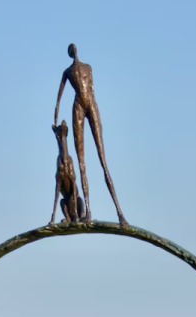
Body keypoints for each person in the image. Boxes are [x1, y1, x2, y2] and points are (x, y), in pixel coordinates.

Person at [54, 44, 127, 226]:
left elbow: (91, 89)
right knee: (81, 163)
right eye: (72, 51)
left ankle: (119, 212)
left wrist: (56, 111)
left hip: (90, 104)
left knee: (103, 160)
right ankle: (87, 211)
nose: (74, 52)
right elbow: (59, 98)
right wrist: (56, 116)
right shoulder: (67, 72)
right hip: (78, 106)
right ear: (72, 53)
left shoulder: (88, 67)